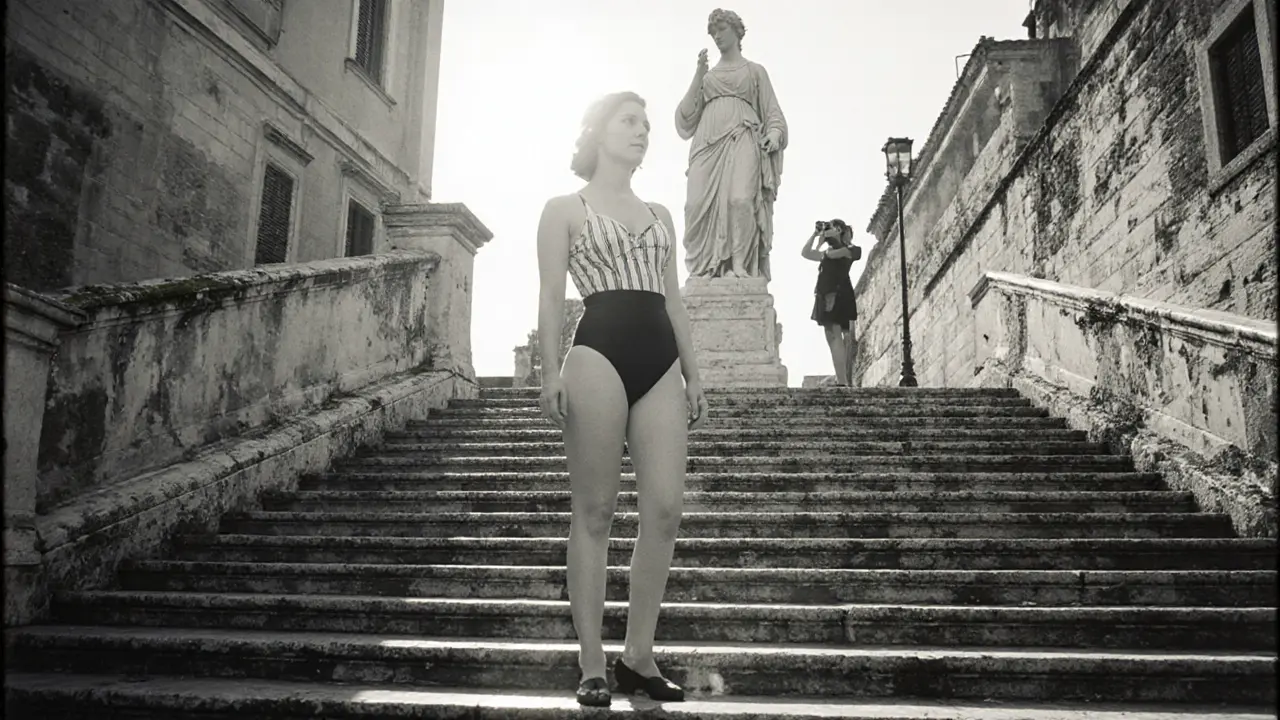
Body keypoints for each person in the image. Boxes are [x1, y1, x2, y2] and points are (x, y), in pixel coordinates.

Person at [535, 91, 710, 707]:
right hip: (596, 356)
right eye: (629, 121)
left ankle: (638, 657)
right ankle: (591, 662)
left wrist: (694, 373)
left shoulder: (660, 214)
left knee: (664, 508)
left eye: (646, 125)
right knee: (596, 510)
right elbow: (551, 296)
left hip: (659, 360)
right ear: (598, 131)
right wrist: (548, 372)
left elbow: (674, 301)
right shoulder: (564, 208)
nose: (642, 132)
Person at [676, 8, 788, 280]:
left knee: (741, 199)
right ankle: (705, 269)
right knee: (695, 205)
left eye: (721, 30)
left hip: (744, 136)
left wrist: (774, 134)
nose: (716, 36)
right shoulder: (708, 77)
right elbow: (685, 119)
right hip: (707, 144)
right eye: (713, 32)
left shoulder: (754, 71)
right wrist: (698, 74)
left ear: (737, 31)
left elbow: (773, 113)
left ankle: (739, 265)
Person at [802, 219, 861, 386]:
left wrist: (824, 241)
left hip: (836, 295)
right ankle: (842, 379)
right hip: (825, 295)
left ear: (840, 230)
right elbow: (805, 253)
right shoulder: (829, 252)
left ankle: (842, 380)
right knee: (832, 337)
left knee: (837, 335)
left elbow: (833, 254)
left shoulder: (850, 250)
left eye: (832, 227)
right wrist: (815, 235)